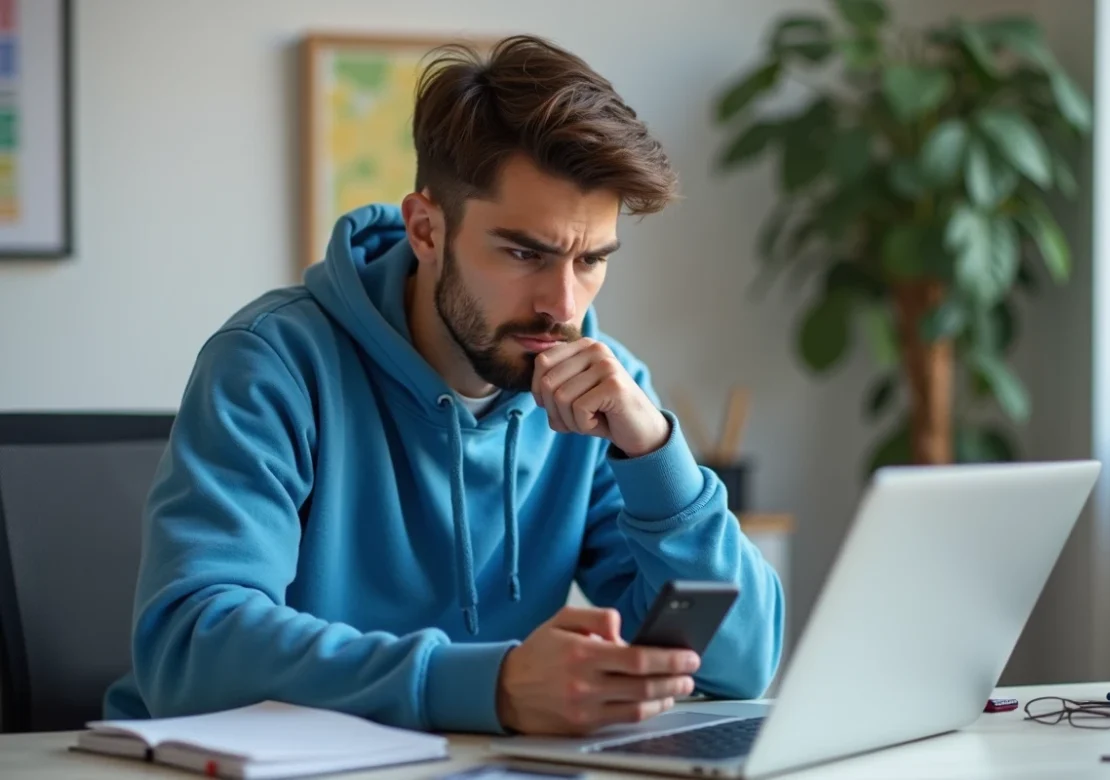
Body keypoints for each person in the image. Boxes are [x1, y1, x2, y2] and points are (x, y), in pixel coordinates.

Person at [104, 34, 784, 737]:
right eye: (524, 253)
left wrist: (658, 459)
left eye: (591, 260)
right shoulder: (272, 363)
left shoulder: (602, 397)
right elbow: (190, 648)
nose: (563, 304)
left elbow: (738, 664)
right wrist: (487, 687)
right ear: (426, 230)